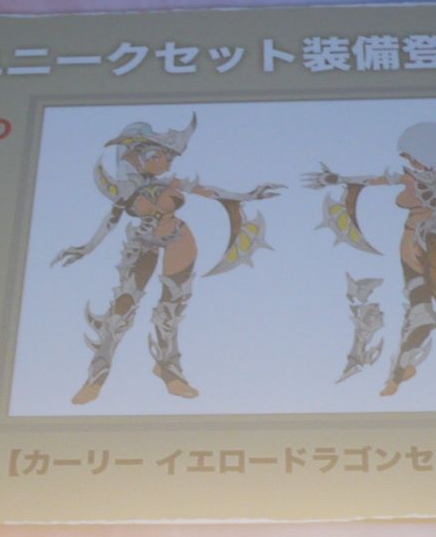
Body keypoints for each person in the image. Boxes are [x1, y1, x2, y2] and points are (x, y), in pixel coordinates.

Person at [53, 114, 281, 404]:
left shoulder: (168, 183)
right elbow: (111, 220)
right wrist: (87, 247)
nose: (169, 164)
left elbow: (210, 192)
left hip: (179, 239)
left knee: (171, 309)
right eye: (165, 157)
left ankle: (169, 369)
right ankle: (97, 374)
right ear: (145, 154)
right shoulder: (127, 188)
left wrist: (249, 195)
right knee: (123, 306)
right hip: (143, 242)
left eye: (171, 158)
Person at [304, 122, 436, 395]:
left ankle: (399, 371)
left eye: (412, 155)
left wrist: (337, 178)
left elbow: (372, 180)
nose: (409, 160)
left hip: (417, 236)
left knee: (420, 307)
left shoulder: (411, 177)